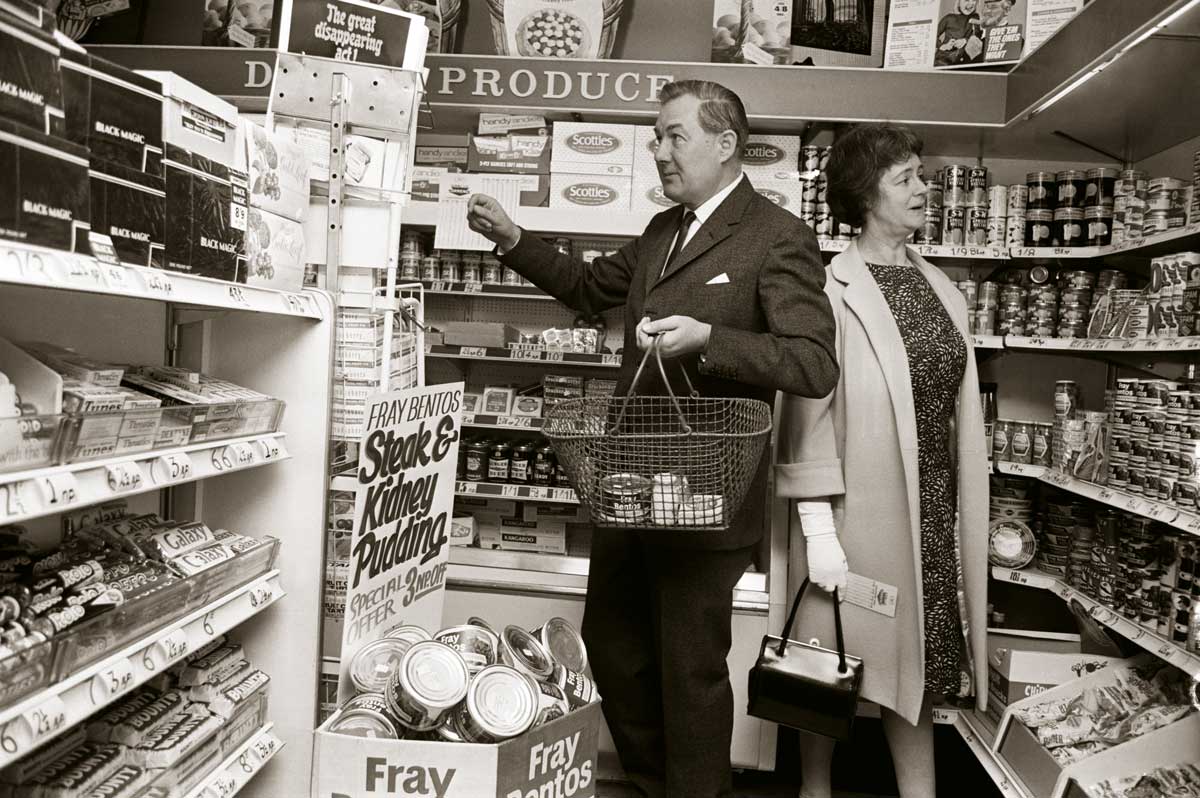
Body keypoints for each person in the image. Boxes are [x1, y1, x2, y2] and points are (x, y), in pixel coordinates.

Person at [466, 79, 838, 798]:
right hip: (628, 491)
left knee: (689, 673)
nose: (658, 149)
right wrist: (513, 239)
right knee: (614, 650)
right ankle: (649, 785)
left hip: (706, 498)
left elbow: (813, 363)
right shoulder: (664, 230)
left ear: (726, 144)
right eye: (655, 136)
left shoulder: (776, 236)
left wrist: (710, 340)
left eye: (675, 135)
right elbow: (586, 287)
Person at [774, 123, 989, 798]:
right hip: (852, 512)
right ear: (866, 196)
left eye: (921, 175)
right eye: (907, 180)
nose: (925, 190)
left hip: (928, 510)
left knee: (916, 663)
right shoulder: (829, 289)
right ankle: (815, 790)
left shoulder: (940, 288)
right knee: (823, 660)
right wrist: (816, 530)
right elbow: (805, 414)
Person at [935, 0, 983, 66]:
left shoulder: (975, 17)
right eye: (966, 0)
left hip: (961, 60)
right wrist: (943, 46)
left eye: (974, 0)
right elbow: (933, 35)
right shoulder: (949, 18)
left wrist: (965, 40)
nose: (971, 3)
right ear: (958, 2)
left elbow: (977, 34)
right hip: (943, 59)